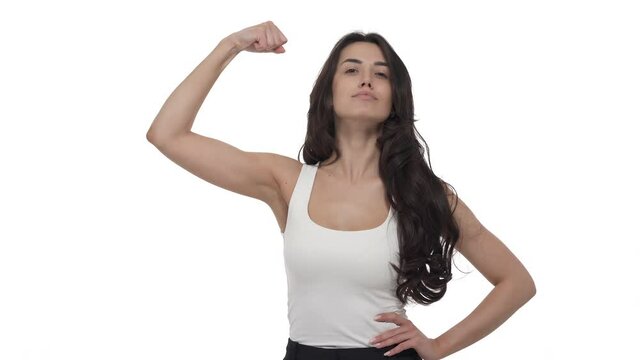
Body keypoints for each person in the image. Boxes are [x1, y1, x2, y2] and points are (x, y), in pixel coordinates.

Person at [146, 20, 536, 360]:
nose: (366, 79)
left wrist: (437, 347)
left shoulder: (424, 193)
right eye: (352, 69)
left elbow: (516, 283)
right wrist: (231, 44)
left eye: (381, 74)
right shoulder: (286, 181)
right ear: (328, 92)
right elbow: (167, 135)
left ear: (395, 97)